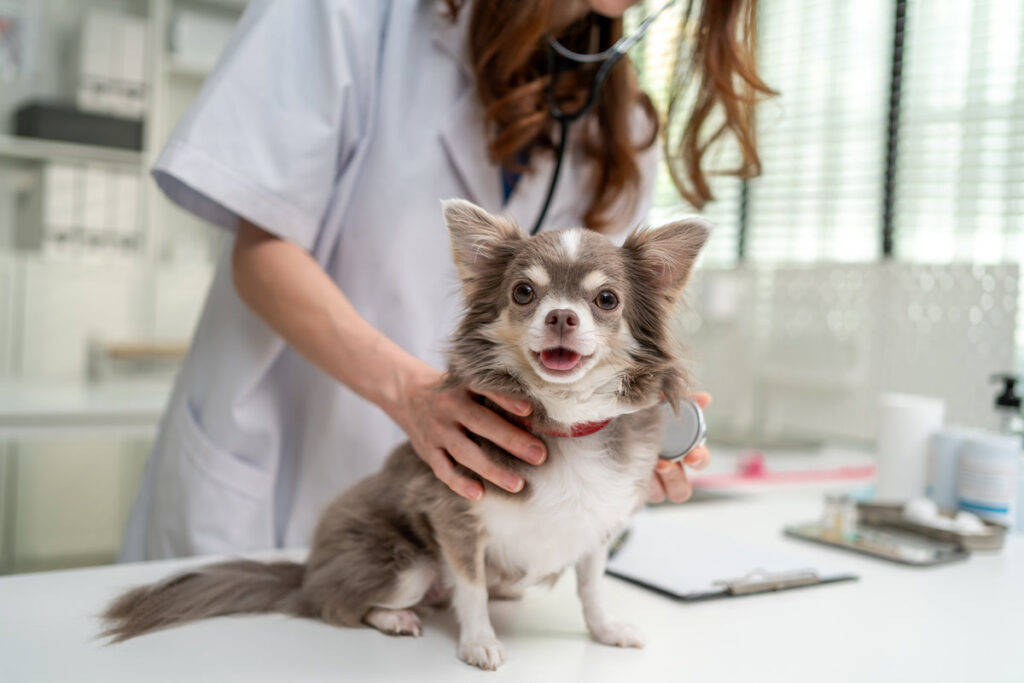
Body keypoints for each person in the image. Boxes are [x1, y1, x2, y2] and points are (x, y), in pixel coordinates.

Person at [120, 0, 771, 561]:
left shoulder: (624, 132)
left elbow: (579, 360)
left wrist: (620, 457)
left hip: (466, 546)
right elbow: (262, 254)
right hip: (275, 488)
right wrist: (416, 394)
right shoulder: (362, 16)